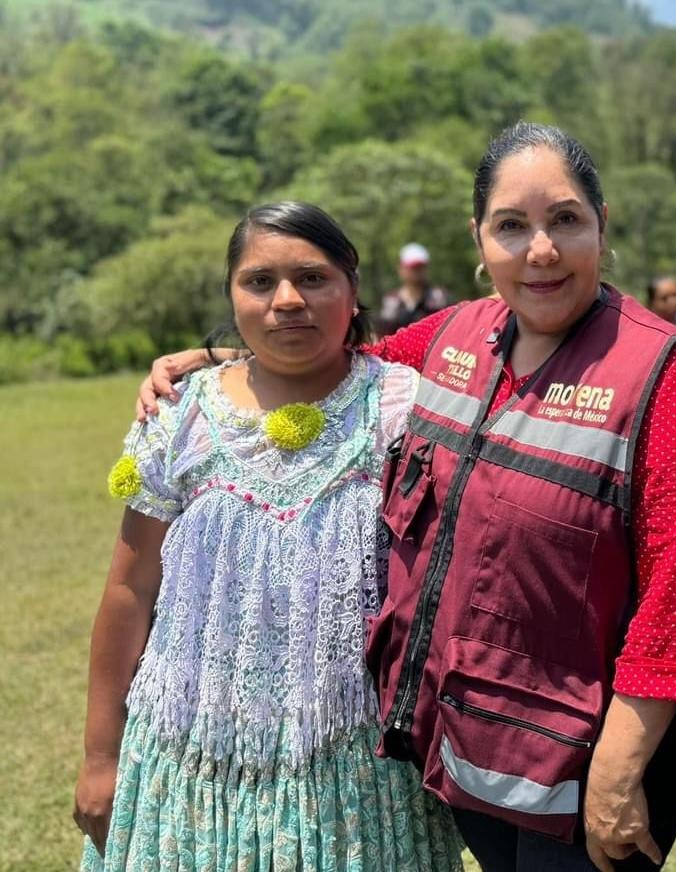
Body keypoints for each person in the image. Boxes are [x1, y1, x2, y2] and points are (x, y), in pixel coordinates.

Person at [136, 124, 676, 872]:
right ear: (479, 238)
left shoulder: (669, 378)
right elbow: (344, 363)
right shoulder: (455, 336)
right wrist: (215, 360)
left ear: (601, 225)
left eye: (565, 221)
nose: (540, 250)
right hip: (472, 747)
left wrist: (620, 770)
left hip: (593, 762)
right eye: (512, 226)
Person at [76, 203, 461, 871]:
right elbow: (129, 590)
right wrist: (100, 757)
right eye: (259, 282)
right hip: (190, 753)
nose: (287, 300)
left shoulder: (403, 408)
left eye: (313, 278)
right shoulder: (179, 414)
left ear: (353, 286)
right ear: (231, 293)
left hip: (355, 767)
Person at [376, 242, 454, 334]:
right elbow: (384, 334)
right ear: (401, 269)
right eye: (413, 268)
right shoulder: (391, 302)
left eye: (420, 267)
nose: (417, 272)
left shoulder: (439, 299)